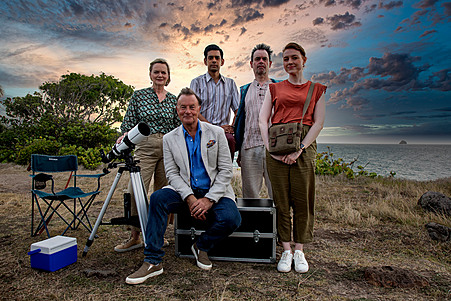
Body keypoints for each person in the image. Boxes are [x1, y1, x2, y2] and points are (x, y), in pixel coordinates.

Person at [125, 88, 241, 285]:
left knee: (232, 219)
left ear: (199, 108)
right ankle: (153, 260)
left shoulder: (217, 133)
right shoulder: (169, 138)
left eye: (192, 107)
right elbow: (172, 174)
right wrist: (190, 198)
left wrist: (209, 199)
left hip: (213, 192)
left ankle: (201, 246)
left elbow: (225, 171)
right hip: (185, 191)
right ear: (176, 109)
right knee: (158, 198)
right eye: (183, 107)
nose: (188, 111)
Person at [259, 42, 326, 273]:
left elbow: (318, 123)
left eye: (294, 58)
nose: (290, 62)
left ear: (304, 60)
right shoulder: (275, 89)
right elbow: (262, 119)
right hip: (277, 144)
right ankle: (286, 249)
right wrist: (270, 149)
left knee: (303, 200)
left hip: (304, 146)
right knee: (280, 200)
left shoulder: (316, 89)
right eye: (286, 59)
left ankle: (300, 250)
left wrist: (300, 149)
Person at [114, 58, 180, 252]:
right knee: (135, 190)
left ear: (168, 77)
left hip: (168, 147)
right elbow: (128, 123)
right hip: (144, 145)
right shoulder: (139, 96)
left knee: (164, 192)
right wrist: (123, 136)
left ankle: (158, 235)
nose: (160, 75)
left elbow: (178, 126)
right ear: (150, 74)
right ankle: (135, 236)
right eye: (156, 72)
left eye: (163, 73)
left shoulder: (173, 100)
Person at [234, 43, 279, 199]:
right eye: (257, 59)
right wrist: (239, 150)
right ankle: (252, 224)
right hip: (249, 147)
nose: (261, 61)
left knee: (277, 194)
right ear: (251, 64)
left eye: (264, 59)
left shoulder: (279, 87)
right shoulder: (243, 90)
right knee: (250, 195)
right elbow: (240, 120)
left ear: (270, 63)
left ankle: (278, 224)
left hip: (275, 148)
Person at [190, 44, 240, 159]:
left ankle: (226, 172)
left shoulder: (230, 84)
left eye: (217, 58)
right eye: (210, 58)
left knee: (230, 141)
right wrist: (212, 127)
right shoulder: (196, 82)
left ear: (222, 62)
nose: (214, 61)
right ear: (205, 61)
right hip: (201, 129)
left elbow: (237, 110)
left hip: (223, 133)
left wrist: (232, 127)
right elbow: (193, 110)